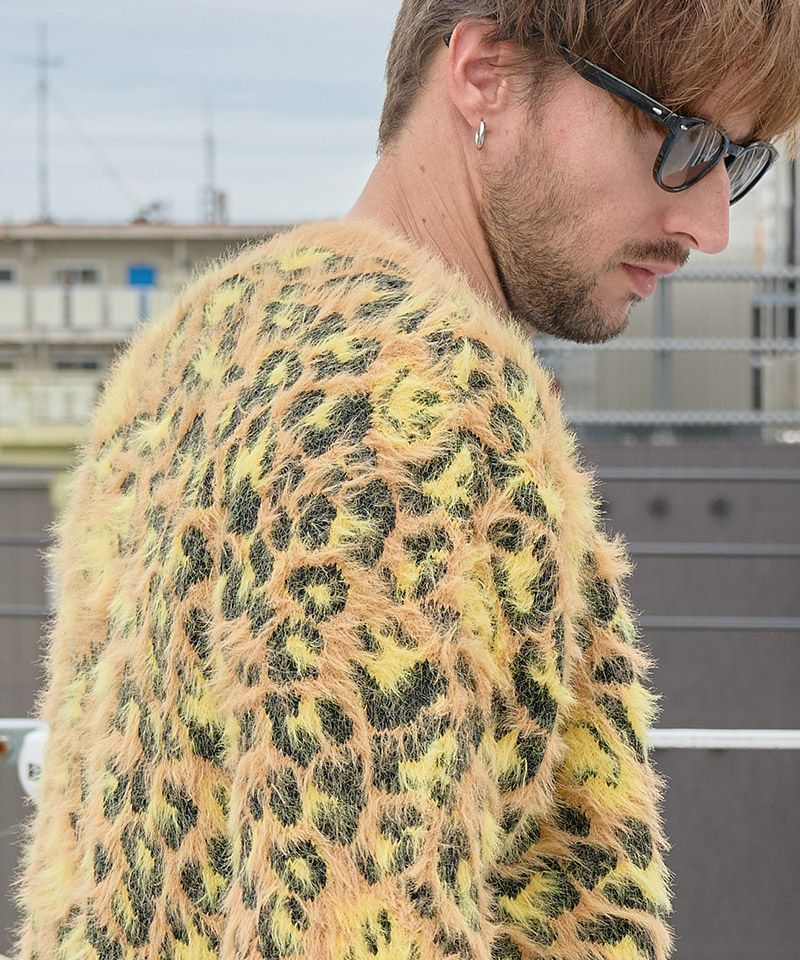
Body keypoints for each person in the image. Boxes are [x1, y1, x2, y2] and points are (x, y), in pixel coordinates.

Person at [13, 3, 800, 959]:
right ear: (484, 73)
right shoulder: (407, 394)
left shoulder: (200, 342)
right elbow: (356, 927)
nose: (710, 224)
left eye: (738, 161)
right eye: (682, 139)